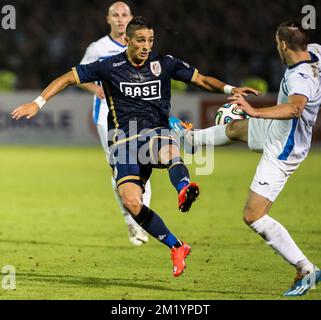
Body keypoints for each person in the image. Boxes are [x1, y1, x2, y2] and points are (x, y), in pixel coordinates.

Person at [11, 16, 258, 277]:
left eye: (150, 40)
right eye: (140, 40)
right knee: (131, 201)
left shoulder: (164, 63)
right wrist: (37, 103)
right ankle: (177, 246)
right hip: (123, 140)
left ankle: (184, 187)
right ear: (127, 40)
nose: (146, 46)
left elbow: (202, 80)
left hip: (155, 131)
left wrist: (231, 88)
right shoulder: (108, 66)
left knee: (167, 148)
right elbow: (67, 78)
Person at [170, 20, 321, 293]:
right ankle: (190, 141)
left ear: (284, 45)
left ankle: (305, 269)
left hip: (284, 149)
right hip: (279, 130)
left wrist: (256, 111)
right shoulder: (316, 53)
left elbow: (296, 108)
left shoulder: (300, 76)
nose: (277, 48)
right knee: (235, 128)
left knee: (253, 215)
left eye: (277, 44)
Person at [78, 1, 150, 246]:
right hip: (106, 116)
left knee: (144, 162)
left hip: (138, 113)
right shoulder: (98, 48)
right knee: (120, 167)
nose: (120, 19)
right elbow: (79, 75)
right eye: (115, 15)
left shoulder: (141, 45)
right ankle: (132, 221)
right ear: (108, 19)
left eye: (124, 15)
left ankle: (143, 217)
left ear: (131, 18)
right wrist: (95, 88)